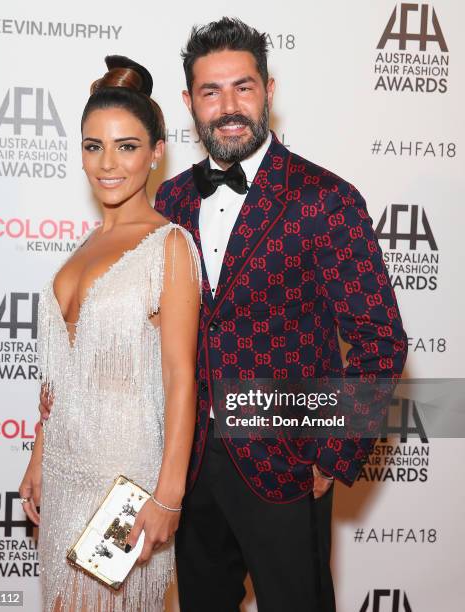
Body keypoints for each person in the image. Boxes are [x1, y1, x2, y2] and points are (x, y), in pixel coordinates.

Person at [153, 18, 408, 612]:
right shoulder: (172, 200)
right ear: (189, 101)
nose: (229, 106)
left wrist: (334, 452)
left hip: (287, 463)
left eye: (243, 87)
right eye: (211, 92)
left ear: (269, 89)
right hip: (188, 466)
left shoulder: (326, 198)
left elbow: (378, 339)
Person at [20, 55, 202, 612]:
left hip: (125, 480)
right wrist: (37, 457)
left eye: (126, 146)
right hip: (65, 470)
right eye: (93, 145)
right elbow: (65, 376)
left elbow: (179, 377)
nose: (107, 163)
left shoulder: (169, 246)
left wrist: (168, 494)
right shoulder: (81, 249)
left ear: (155, 154)